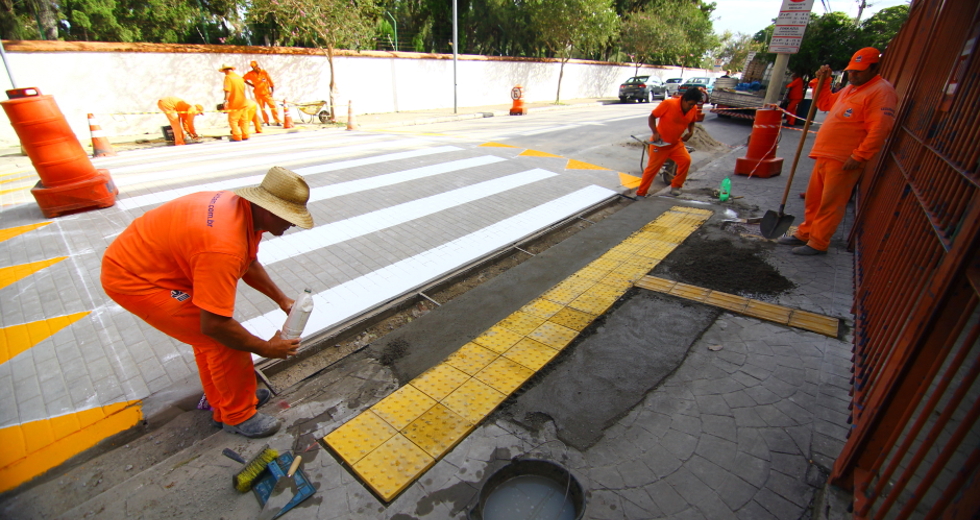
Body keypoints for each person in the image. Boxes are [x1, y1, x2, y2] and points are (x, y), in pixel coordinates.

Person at [100, 166, 316, 438]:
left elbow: (248, 262)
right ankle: (238, 416)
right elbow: (215, 325)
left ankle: (226, 404)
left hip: (159, 262)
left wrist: (282, 300)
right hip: (137, 278)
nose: (293, 223)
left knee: (210, 339)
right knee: (224, 339)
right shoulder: (223, 245)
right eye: (288, 217)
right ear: (267, 210)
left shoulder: (244, 212)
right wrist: (267, 348)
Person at [778, 47, 897, 255]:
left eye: (858, 71)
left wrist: (859, 155)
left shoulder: (881, 91)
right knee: (814, 199)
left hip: (845, 159)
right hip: (825, 154)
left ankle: (818, 242)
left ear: (875, 68)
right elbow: (824, 103)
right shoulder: (850, 89)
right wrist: (822, 81)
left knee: (830, 204)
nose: (853, 75)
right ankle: (805, 233)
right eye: (851, 70)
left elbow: (880, 128)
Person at [636, 87, 703, 198]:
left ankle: (676, 186)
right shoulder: (668, 104)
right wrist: (655, 132)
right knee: (652, 169)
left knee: (686, 160)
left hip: (675, 143)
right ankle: (641, 193)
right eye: (690, 104)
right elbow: (652, 117)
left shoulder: (693, 108)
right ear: (684, 99)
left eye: (694, 104)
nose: (692, 107)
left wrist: (691, 132)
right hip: (660, 144)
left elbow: (692, 121)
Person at [243, 61, 280, 126]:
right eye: (253, 67)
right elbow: (243, 79)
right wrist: (251, 85)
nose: (255, 68)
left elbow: (270, 81)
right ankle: (266, 122)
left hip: (267, 94)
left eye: (256, 66)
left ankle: (277, 121)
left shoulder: (264, 72)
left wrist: (272, 91)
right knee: (262, 108)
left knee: (273, 107)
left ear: (258, 65)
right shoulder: (250, 74)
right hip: (258, 94)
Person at [219, 63, 250, 141]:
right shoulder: (239, 77)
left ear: (225, 70)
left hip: (235, 103)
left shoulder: (228, 78)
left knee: (233, 121)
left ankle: (237, 136)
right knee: (244, 120)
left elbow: (227, 91)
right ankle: (245, 135)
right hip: (243, 102)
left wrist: (225, 101)